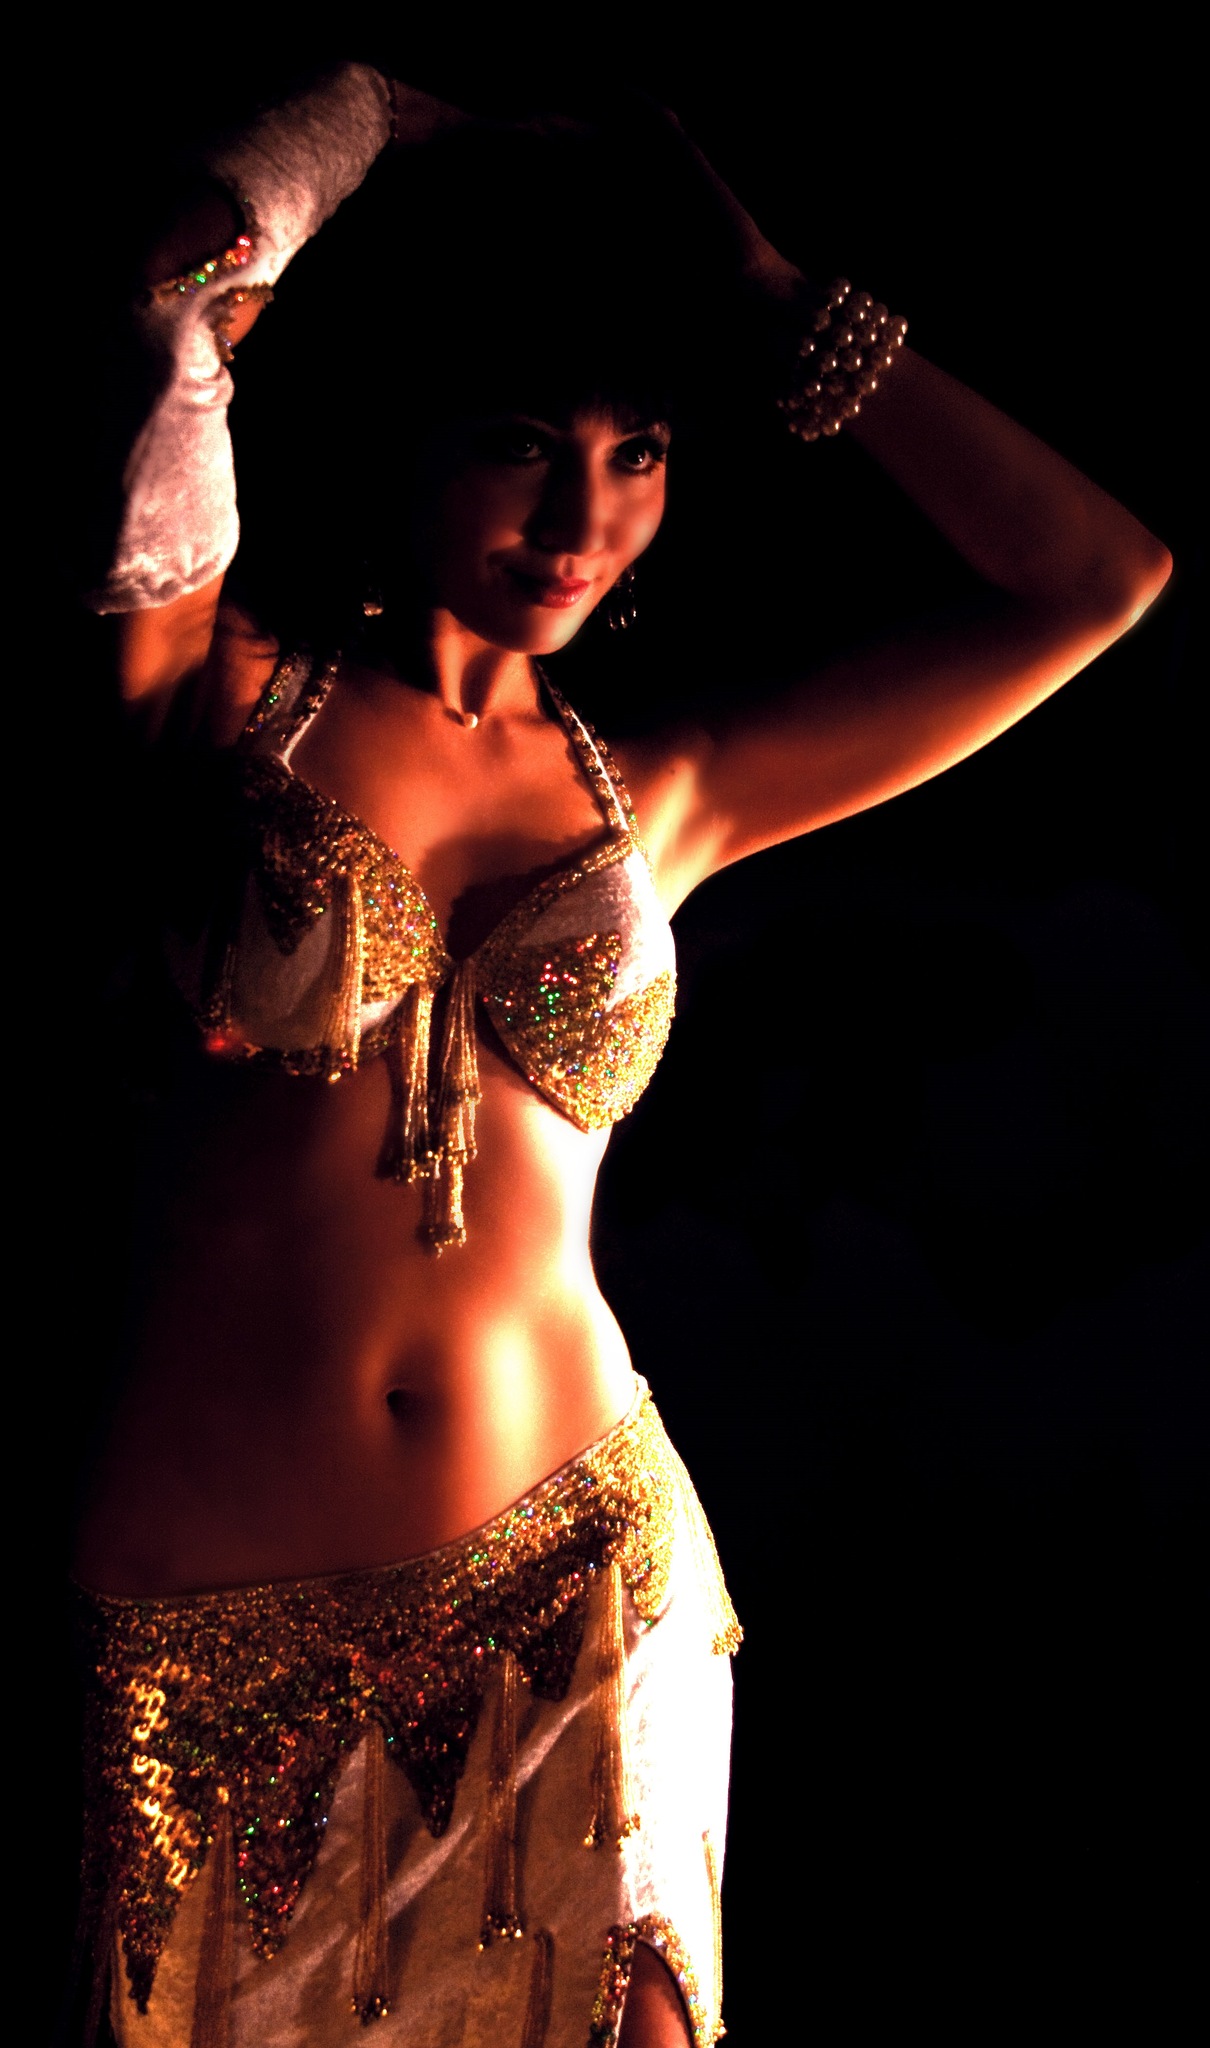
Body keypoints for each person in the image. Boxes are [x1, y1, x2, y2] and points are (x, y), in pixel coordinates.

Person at [65, 60, 1171, 2048]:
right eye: (519, 444)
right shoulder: (210, 697)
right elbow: (166, 304)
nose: (581, 518)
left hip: (577, 1573)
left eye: (636, 451)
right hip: (211, 1640)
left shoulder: (660, 791)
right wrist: (368, 116)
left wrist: (774, 303)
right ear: (402, 434)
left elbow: (1093, 580)